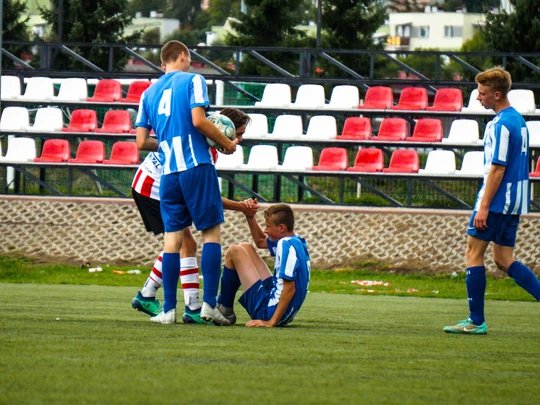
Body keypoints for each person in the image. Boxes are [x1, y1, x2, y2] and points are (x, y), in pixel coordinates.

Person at [136, 40, 240, 325]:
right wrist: (226, 144)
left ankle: (168, 311)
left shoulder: (148, 93)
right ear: (182, 55)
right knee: (210, 235)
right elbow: (198, 120)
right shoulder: (194, 79)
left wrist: (171, 144)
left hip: (169, 174)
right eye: (189, 58)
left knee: (173, 242)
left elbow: (142, 141)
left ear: (162, 62)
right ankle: (208, 306)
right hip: (196, 166)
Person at [131, 107, 258, 324]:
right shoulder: (204, 149)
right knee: (182, 243)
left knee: (185, 244)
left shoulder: (199, 139)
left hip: (149, 184)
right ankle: (156, 296)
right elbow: (205, 196)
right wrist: (240, 207)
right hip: (152, 188)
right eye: (238, 134)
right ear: (223, 129)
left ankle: (188, 306)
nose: (240, 140)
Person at [444, 67, 540, 335]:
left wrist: (483, 206)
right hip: (516, 200)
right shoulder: (519, 120)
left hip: (497, 200)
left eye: (482, 93)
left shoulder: (499, 125)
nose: (478, 98)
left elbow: (497, 168)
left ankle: (476, 321)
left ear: (496, 94)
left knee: (473, 252)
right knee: (504, 259)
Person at [217, 203, 311, 327]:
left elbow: (289, 288)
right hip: (283, 310)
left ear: (281, 228)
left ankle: (224, 308)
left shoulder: (285, 245)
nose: (265, 230)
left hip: (269, 312)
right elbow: (260, 242)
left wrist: (271, 322)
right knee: (246, 247)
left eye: (268, 226)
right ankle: (223, 306)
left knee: (234, 252)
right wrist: (249, 216)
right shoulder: (296, 240)